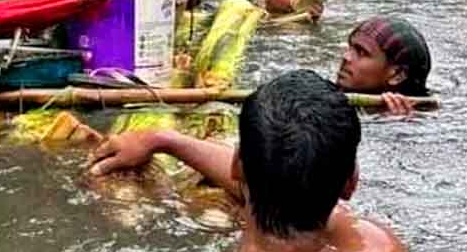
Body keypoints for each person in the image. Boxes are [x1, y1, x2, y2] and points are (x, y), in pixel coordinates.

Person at [104, 71, 407, 252]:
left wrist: (162, 138)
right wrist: (166, 140)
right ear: (351, 184)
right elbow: (291, 180)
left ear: (236, 164)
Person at [91, 15, 431, 188]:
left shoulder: (407, 120)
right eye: (348, 46)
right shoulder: (319, 99)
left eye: (361, 53)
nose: (344, 58)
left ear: (397, 76)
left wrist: (391, 124)